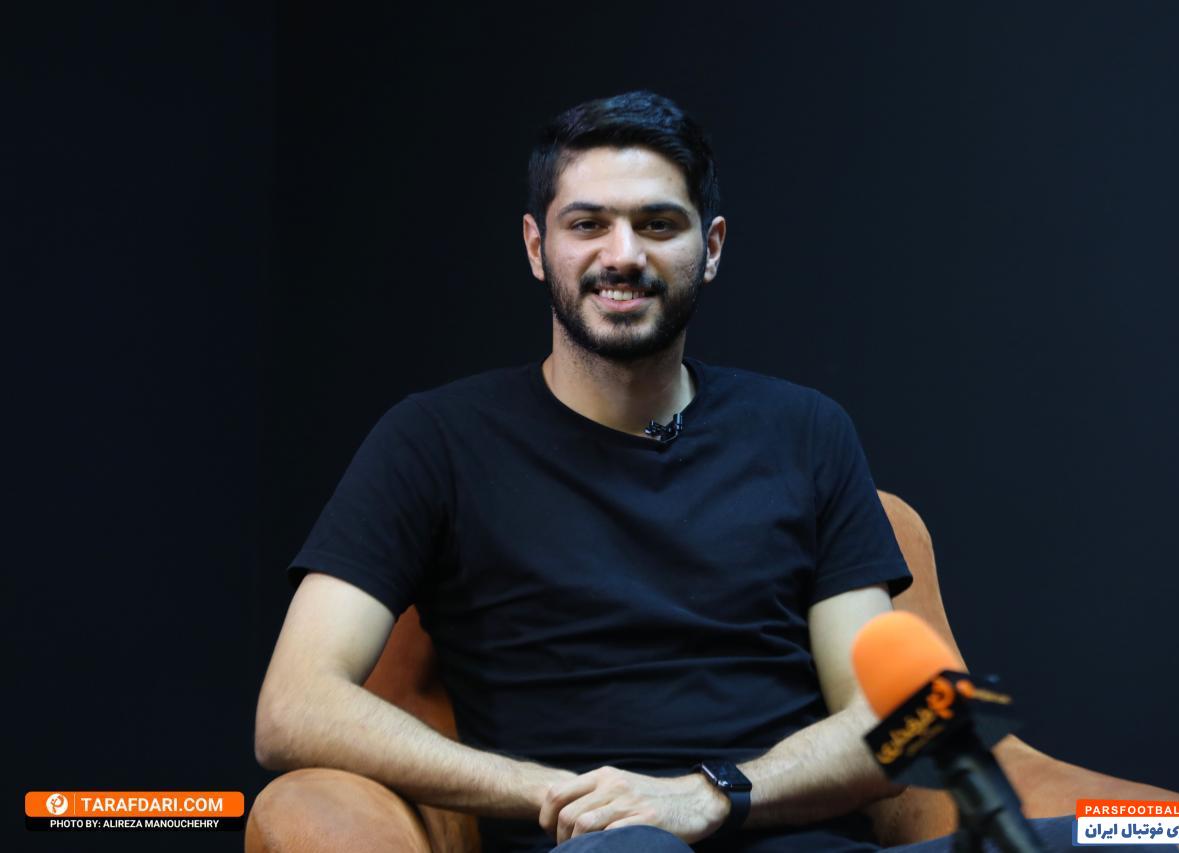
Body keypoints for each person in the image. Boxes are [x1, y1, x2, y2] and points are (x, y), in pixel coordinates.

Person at [255, 91, 1089, 853]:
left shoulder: (805, 431)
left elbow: (888, 721)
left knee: (1164, 836)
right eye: (588, 224)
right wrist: (559, 794)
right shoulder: (434, 441)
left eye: (658, 224)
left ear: (710, 247)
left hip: (799, 839)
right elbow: (294, 704)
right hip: (598, 843)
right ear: (538, 247)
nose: (623, 255)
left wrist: (708, 793)